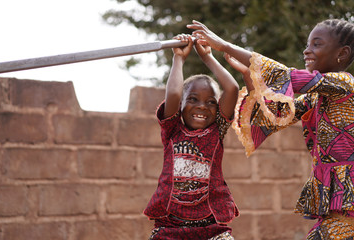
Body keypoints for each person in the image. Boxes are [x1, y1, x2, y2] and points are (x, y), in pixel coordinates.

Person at [188, 18, 354, 239]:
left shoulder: (345, 84)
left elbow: (286, 76)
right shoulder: (314, 98)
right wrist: (249, 76)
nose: (307, 51)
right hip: (340, 209)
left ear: (341, 54)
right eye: (307, 44)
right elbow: (274, 116)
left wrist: (225, 46)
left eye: (317, 44)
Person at [143, 34, 240, 240]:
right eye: (193, 99)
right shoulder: (172, 129)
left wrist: (207, 57)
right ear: (181, 106)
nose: (202, 107)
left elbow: (232, 88)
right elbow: (175, 95)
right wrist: (178, 58)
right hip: (170, 227)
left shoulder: (217, 130)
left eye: (211, 102)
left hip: (211, 226)